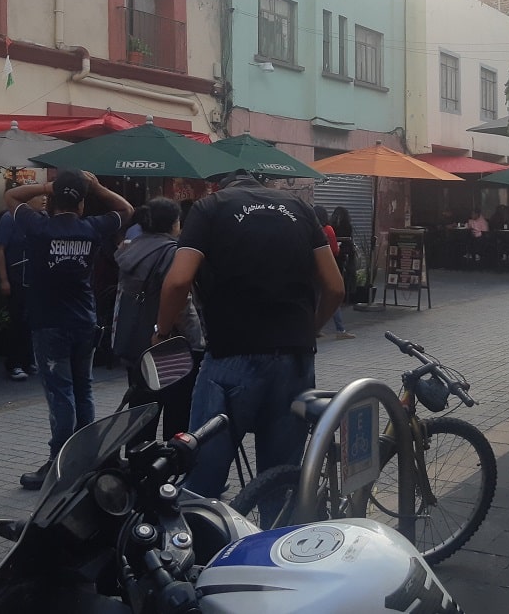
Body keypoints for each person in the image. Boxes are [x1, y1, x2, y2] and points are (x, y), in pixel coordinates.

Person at [154, 169, 344, 501]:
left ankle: (203, 548)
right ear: (262, 185)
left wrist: (162, 330)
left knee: (203, 481)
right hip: (294, 359)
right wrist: (310, 329)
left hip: (231, 355)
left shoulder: (209, 208)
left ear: (221, 185)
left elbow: (177, 281)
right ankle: (275, 547)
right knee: (280, 482)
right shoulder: (300, 208)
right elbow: (335, 287)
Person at [7, 170, 132, 490]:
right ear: (81, 205)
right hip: (84, 321)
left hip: (49, 324)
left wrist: (51, 185)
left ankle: (58, 463)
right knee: (83, 389)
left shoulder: (38, 226)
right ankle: (86, 458)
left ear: (51, 202)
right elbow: (126, 210)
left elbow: (12, 196)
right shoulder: (92, 228)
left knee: (60, 394)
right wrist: (95, 187)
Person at [114, 197, 203, 440]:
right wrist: (197, 343)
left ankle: (139, 466)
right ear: (174, 223)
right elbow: (182, 305)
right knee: (177, 411)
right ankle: (171, 469)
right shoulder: (172, 253)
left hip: (136, 342)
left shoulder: (129, 248)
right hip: (168, 344)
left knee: (141, 410)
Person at [0, 186, 47, 381]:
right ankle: (14, 363)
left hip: (35, 280)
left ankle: (30, 360)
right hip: (16, 278)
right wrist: (4, 279)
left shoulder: (43, 218)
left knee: (33, 321)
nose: (44, 199)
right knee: (18, 322)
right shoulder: (10, 218)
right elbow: (0, 249)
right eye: (39, 196)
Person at [313, 204, 354, 339]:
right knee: (332, 297)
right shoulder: (328, 229)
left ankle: (314, 329)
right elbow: (335, 250)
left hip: (313, 270)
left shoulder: (310, 228)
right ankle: (340, 330)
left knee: (315, 298)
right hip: (327, 269)